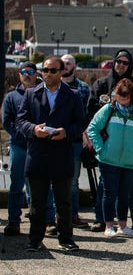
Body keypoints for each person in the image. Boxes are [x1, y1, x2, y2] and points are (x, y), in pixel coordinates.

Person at [16, 56, 86, 252]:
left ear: (62, 72)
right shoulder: (31, 94)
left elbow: (80, 123)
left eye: (52, 70)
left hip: (62, 155)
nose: (47, 74)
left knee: (63, 201)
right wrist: (33, 129)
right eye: (44, 70)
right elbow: (20, 120)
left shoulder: (73, 95)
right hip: (37, 155)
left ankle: (66, 238)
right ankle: (35, 240)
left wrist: (66, 132)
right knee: (36, 203)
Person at [87, 49, 133, 233]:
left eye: (125, 62)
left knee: (131, 190)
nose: (121, 65)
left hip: (130, 154)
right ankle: (102, 220)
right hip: (108, 150)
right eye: (118, 61)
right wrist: (99, 147)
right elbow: (91, 115)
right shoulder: (101, 84)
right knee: (105, 189)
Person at [2, 61, 39, 236]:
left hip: (38, 147)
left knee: (37, 187)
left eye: (31, 71)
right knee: (16, 186)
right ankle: (14, 221)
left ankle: (40, 221)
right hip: (18, 146)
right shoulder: (11, 97)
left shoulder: (42, 94)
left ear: (36, 74)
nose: (27, 74)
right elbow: (6, 121)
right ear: (19, 75)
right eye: (24, 72)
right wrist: (21, 133)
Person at [61, 54, 91, 229]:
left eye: (69, 63)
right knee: (53, 179)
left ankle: (73, 215)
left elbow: (86, 117)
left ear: (75, 66)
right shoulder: (53, 86)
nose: (65, 65)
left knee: (73, 180)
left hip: (75, 141)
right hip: (54, 141)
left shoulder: (83, 89)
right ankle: (54, 217)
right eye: (63, 63)